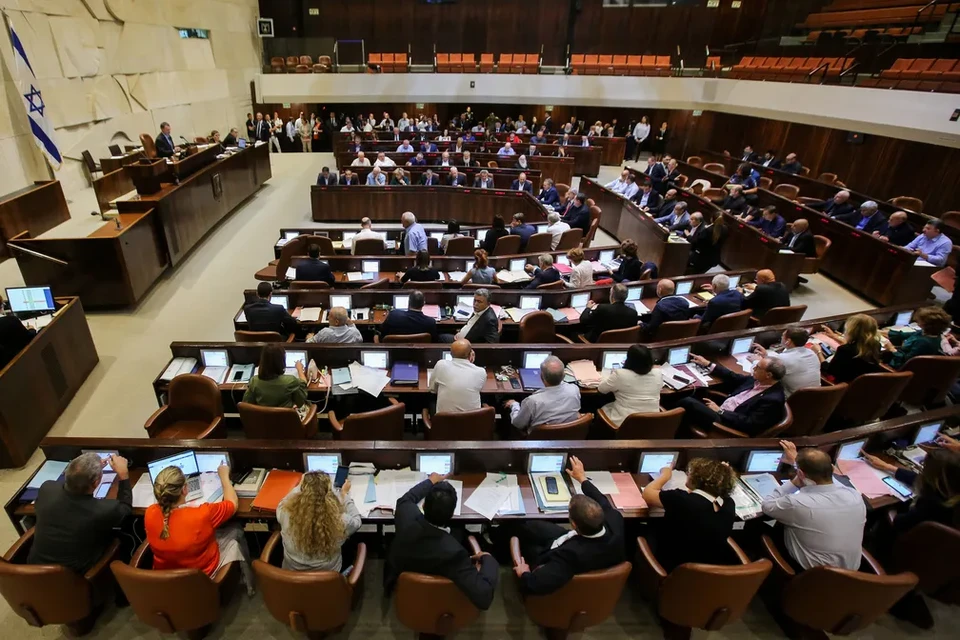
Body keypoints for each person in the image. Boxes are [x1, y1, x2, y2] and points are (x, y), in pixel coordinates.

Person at [511, 456, 625, 595]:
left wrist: (524, 573)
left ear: (574, 524)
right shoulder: (615, 520)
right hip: (573, 542)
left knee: (523, 539)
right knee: (528, 526)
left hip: (551, 554)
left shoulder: (569, 557)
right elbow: (602, 500)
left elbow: (534, 585)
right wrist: (582, 478)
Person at [385, 473, 498, 610]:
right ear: (451, 514)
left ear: (424, 505)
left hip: (401, 577)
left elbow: (405, 500)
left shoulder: (406, 517)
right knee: (460, 532)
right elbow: (484, 597)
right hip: (439, 592)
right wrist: (488, 558)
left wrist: (430, 481)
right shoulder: (455, 553)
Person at [146, 461, 254, 594]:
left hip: (167, 575)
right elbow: (232, 503)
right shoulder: (202, 514)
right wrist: (224, 476)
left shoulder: (149, 512)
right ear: (185, 489)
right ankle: (249, 585)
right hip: (202, 575)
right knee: (235, 529)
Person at [762, 442, 865, 570]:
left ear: (800, 474)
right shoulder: (854, 496)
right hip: (852, 577)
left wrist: (794, 483)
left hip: (811, 576)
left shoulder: (797, 504)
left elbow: (767, 505)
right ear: (832, 469)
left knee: (764, 527)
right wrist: (797, 464)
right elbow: (832, 482)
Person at [27, 452, 132, 573]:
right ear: (96, 483)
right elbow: (125, 508)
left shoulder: (47, 488)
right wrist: (123, 476)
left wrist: (86, 472)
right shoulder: (102, 510)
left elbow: (70, 484)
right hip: (72, 578)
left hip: (34, 571)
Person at [641, 458, 737, 572]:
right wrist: (721, 473)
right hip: (709, 571)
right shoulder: (729, 504)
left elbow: (647, 494)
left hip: (673, 568)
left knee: (641, 529)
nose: (688, 474)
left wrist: (665, 475)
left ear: (698, 480)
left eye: (690, 472)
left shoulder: (682, 500)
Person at [861, 448, 960, 545]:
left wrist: (891, 510)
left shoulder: (931, 505)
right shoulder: (952, 492)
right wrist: (887, 467)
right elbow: (920, 479)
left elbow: (899, 522)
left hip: (907, 547)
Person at [677, 355, 787, 436]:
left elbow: (750, 424)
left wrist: (720, 411)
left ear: (768, 375)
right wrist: (708, 364)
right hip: (721, 409)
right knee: (695, 394)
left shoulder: (773, 399)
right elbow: (734, 377)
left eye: (757, 367)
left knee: (687, 402)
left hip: (727, 424)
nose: (754, 369)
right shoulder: (758, 380)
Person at [277, 470, 360, 572]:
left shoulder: (285, 513)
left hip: (291, 578)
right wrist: (344, 494)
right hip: (328, 580)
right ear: (330, 495)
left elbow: (285, 500)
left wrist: (302, 483)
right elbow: (357, 521)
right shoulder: (340, 521)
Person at [504, 356, 581, 433]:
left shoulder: (532, 401)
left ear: (541, 377)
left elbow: (518, 424)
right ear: (564, 376)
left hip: (539, 441)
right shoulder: (574, 390)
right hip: (568, 437)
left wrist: (514, 405)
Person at [598, 344, 662, 425]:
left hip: (625, 422)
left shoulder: (620, 374)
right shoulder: (658, 373)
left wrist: (606, 376)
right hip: (653, 420)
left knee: (601, 408)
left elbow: (601, 389)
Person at [813, 314, 885, 383]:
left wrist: (818, 352)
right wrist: (834, 336)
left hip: (844, 386)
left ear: (851, 331)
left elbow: (829, 370)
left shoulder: (844, 350)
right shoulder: (876, 345)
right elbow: (856, 347)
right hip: (863, 384)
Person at [752, 327, 821, 398]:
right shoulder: (811, 352)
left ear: (788, 341)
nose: (781, 338)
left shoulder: (784, 358)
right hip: (815, 399)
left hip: (792, 401)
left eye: (782, 336)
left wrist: (755, 361)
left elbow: (759, 373)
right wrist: (766, 356)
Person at [428, 338, 486, 414]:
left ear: (451, 354)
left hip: (444, 423)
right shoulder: (481, 372)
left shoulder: (441, 365)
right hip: (471, 423)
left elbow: (432, 390)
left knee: (431, 401)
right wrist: (470, 362)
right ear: (471, 354)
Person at [882, 305, 951, 368]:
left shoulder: (923, 342)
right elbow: (903, 335)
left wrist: (892, 349)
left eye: (920, 321)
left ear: (927, 324)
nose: (917, 322)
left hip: (899, 366)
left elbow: (906, 361)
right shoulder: (930, 333)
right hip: (899, 355)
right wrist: (879, 331)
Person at [243, 343, 308, 408]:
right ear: (281, 361)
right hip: (285, 417)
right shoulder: (291, 381)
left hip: (263, 417)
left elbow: (247, 404)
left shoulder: (254, 381)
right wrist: (299, 369)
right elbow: (300, 402)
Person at [0, 303, 36, 369]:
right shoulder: (11, 320)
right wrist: (32, 329)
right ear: (1, 306)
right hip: (18, 363)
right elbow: (29, 338)